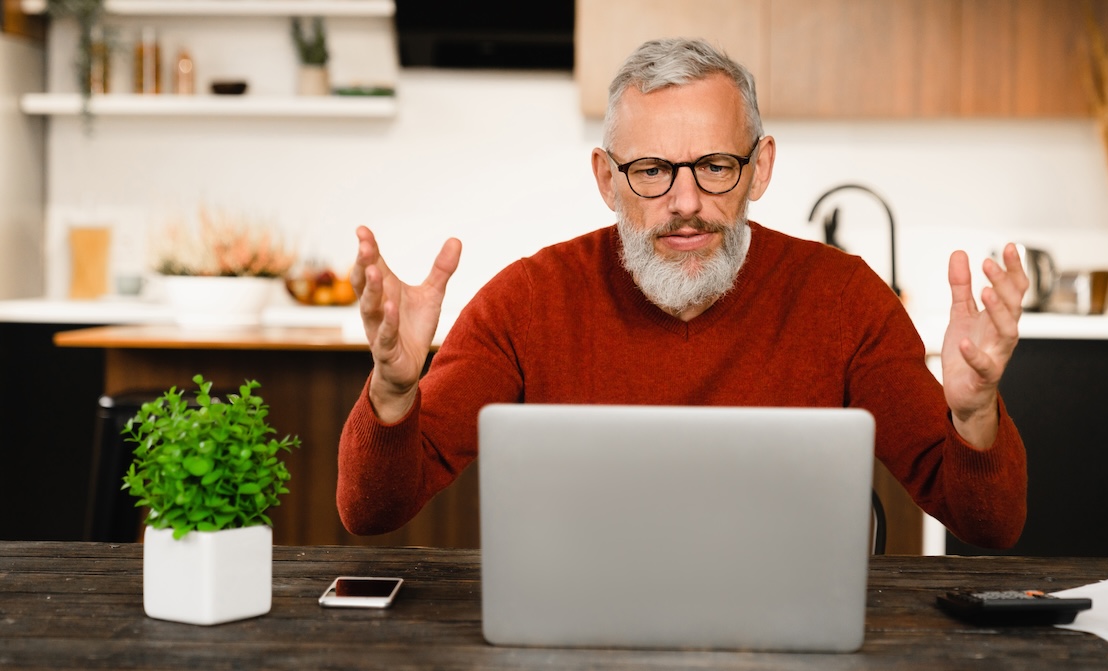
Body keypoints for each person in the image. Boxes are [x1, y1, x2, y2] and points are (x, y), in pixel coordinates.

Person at [337, 38, 1028, 549]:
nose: (686, 202)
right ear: (607, 180)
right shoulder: (526, 300)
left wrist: (973, 416)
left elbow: (988, 527)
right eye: (652, 171)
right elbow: (370, 513)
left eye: (715, 166)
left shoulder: (845, 298)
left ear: (760, 169)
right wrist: (393, 394)